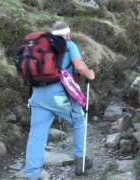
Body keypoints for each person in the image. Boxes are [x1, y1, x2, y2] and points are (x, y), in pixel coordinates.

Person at [25, 21, 95, 180]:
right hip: (59, 96)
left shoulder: (39, 46)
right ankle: (80, 161)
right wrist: (90, 74)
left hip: (37, 95)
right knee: (79, 120)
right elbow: (79, 67)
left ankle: (31, 175)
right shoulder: (69, 45)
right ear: (68, 34)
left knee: (36, 134)